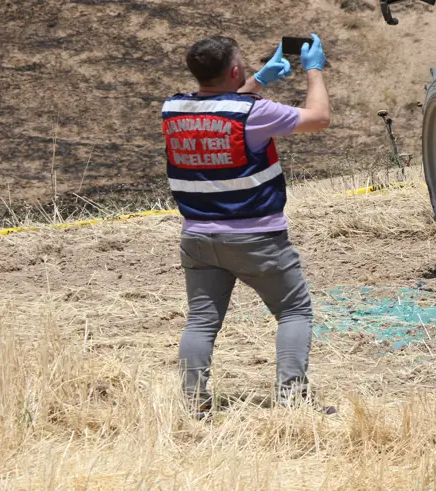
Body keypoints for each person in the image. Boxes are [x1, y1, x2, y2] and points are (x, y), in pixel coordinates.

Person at [160, 34, 332, 419]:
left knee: (201, 322)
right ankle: (292, 401)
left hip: (197, 237)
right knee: (294, 311)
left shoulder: (172, 108)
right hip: (258, 238)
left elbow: (220, 108)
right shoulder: (255, 113)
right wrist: (314, 70)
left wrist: (261, 79)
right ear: (235, 71)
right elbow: (319, 118)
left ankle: (193, 404)